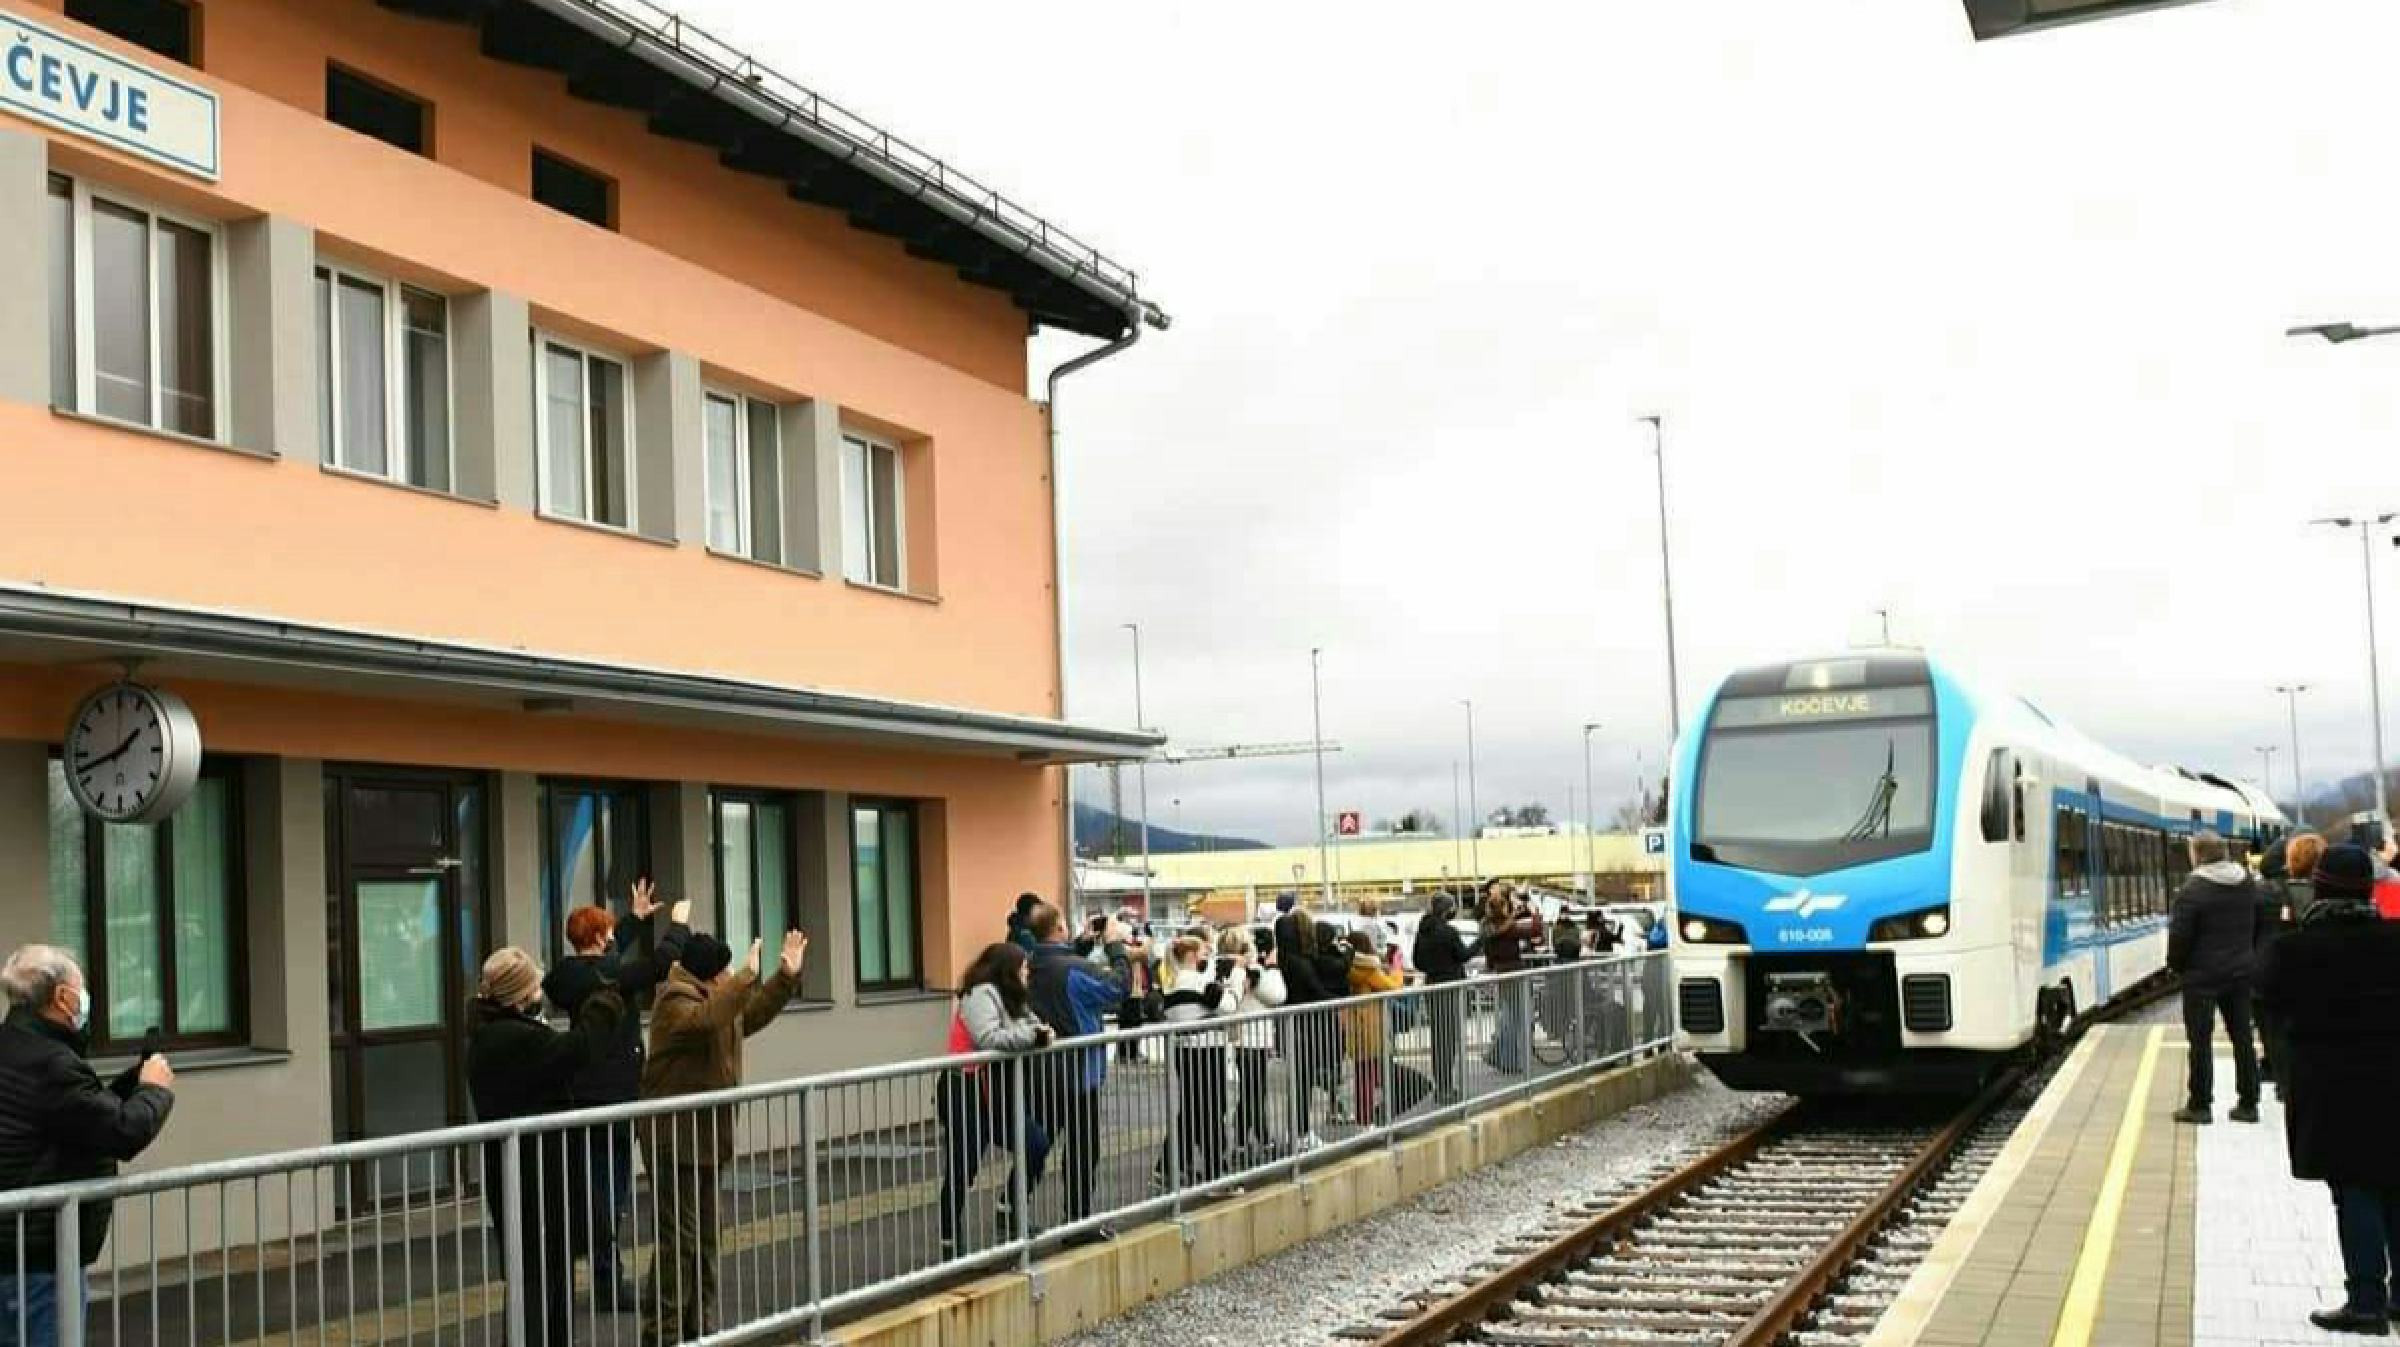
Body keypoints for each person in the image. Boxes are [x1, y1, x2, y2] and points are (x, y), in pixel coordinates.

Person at [2257, 843, 2400, 1335]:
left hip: (2332, 1090)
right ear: (2368, 890)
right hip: (2394, 1082)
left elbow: (2268, 1000)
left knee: (2355, 1188)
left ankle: (2366, 1301)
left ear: (2318, 888)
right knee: (2395, 1185)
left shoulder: (2294, 949)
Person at [0, 946, 175, 1347]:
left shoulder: (17, 1048)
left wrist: (134, 1081)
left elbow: (79, 1116)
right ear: (63, 997)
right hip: (41, 1257)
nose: (86, 999)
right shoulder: (52, 1063)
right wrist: (154, 1090)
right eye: (81, 989)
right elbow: (122, 1132)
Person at [640, 927, 806, 1342]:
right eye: (726, 971)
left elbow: (748, 1014)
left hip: (708, 1138)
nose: (731, 976)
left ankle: (701, 1328)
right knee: (679, 1242)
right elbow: (706, 1020)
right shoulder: (675, 1002)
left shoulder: (714, 1000)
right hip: (675, 1140)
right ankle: (664, 1333)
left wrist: (784, 979)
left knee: (706, 1239)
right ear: (711, 975)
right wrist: (745, 977)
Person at [464, 946, 627, 1347]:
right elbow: (578, 1049)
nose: (541, 994)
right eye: (535, 986)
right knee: (536, 1282)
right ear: (520, 994)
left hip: (534, 1173)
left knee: (548, 1276)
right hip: (533, 1176)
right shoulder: (509, 1038)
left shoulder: (497, 1033)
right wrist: (604, 1002)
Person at [542, 879, 689, 1306]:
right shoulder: (604, 978)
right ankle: (607, 1282)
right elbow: (658, 964)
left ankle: (599, 1275)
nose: (612, 939)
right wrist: (678, 926)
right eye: (607, 932)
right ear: (598, 938)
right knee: (607, 1193)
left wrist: (633, 920)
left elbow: (607, 961)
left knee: (595, 1190)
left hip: (590, 1095)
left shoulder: (572, 976)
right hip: (610, 1097)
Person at [937, 942, 1055, 1256]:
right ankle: (949, 1238)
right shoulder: (980, 994)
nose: (1028, 973)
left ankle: (1010, 1206)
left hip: (996, 1089)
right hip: (966, 1087)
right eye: (1023, 968)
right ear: (1008, 970)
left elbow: (1034, 1024)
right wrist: (1035, 1037)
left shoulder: (1012, 996)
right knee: (964, 1165)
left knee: (1036, 1143)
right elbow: (988, 1037)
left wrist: (1037, 1033)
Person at [1025, 903, 1126, 1246]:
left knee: (1040, 1142)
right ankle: (1077, 1218)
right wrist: (1115, 946)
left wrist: (1082, 943)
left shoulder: (1032, 964)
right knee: (1083, 1147)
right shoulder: (1074, 969)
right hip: (1079, 1073)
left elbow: (1062, 971)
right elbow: (1117, 989)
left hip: (1043, 1070)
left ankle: (1011, 1204)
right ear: (1059, 929)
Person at [2166, 831, 2266, 1125]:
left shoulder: (2192, 889)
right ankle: (2249, 1103)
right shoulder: (2246, 883)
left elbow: (2180, 937)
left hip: (2202, 977)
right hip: (2241, 972)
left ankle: (2200, 1105)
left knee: (2200, 1041)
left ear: (2197, 854)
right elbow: (2258, 923)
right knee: (2242, 1038)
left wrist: (2176, 966)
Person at [1157, 936, 1236, 1186]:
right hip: (1207, 1050)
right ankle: (1216, 1172)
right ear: (1192, 956)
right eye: (1204, 952)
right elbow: (1229, 1006)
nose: (1207, 957)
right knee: (1210, 1110)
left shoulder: (1172, 981)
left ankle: (1168, 1166)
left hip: (1185, 1051)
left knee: (1191, 1111)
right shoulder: (1199, 982)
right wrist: (1232, 983)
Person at [1218, 927, 1283, 1166]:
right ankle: (1252, 1140)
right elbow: (1277, 995)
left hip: (1241, 1038)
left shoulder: (1221, 970)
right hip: (1254, 1039)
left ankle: (1254, 1140)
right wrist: (1272, 968)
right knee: (1254, 1093)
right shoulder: (1251, 971)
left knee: (1252, 1092)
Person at [1413, 895, 1477, 1105]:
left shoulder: (1422, 932)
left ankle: (1441, 1085)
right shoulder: (1448, 932)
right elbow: (1463, 954)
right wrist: (1481, 941)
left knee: (1438, 1038)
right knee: (1448, 1040)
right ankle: (1446, 1087)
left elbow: (1417, 962)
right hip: (1450, 988)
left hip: (1433, 987)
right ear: (1447, 910)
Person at [1345, 923, 1405, 1125]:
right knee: (1369, 1075)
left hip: (1354, 1024)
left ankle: (1364, 1117)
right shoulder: (1368, 969)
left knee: (1362, 1073)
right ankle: (1367, 1119)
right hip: (1370, 1026)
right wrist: (1397, 967)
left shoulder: (1349, 966)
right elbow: (1393, 986)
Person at [1481, 882, 1540, 1074]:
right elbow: (1535, 931)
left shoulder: (1487, 926)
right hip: (1514, 973)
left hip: (1500, 972)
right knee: (1514, 1019)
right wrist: (1535, 912)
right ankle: (1507, 1059)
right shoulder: (1509, 929)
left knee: (1508, 1017)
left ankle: (1497, 1054)